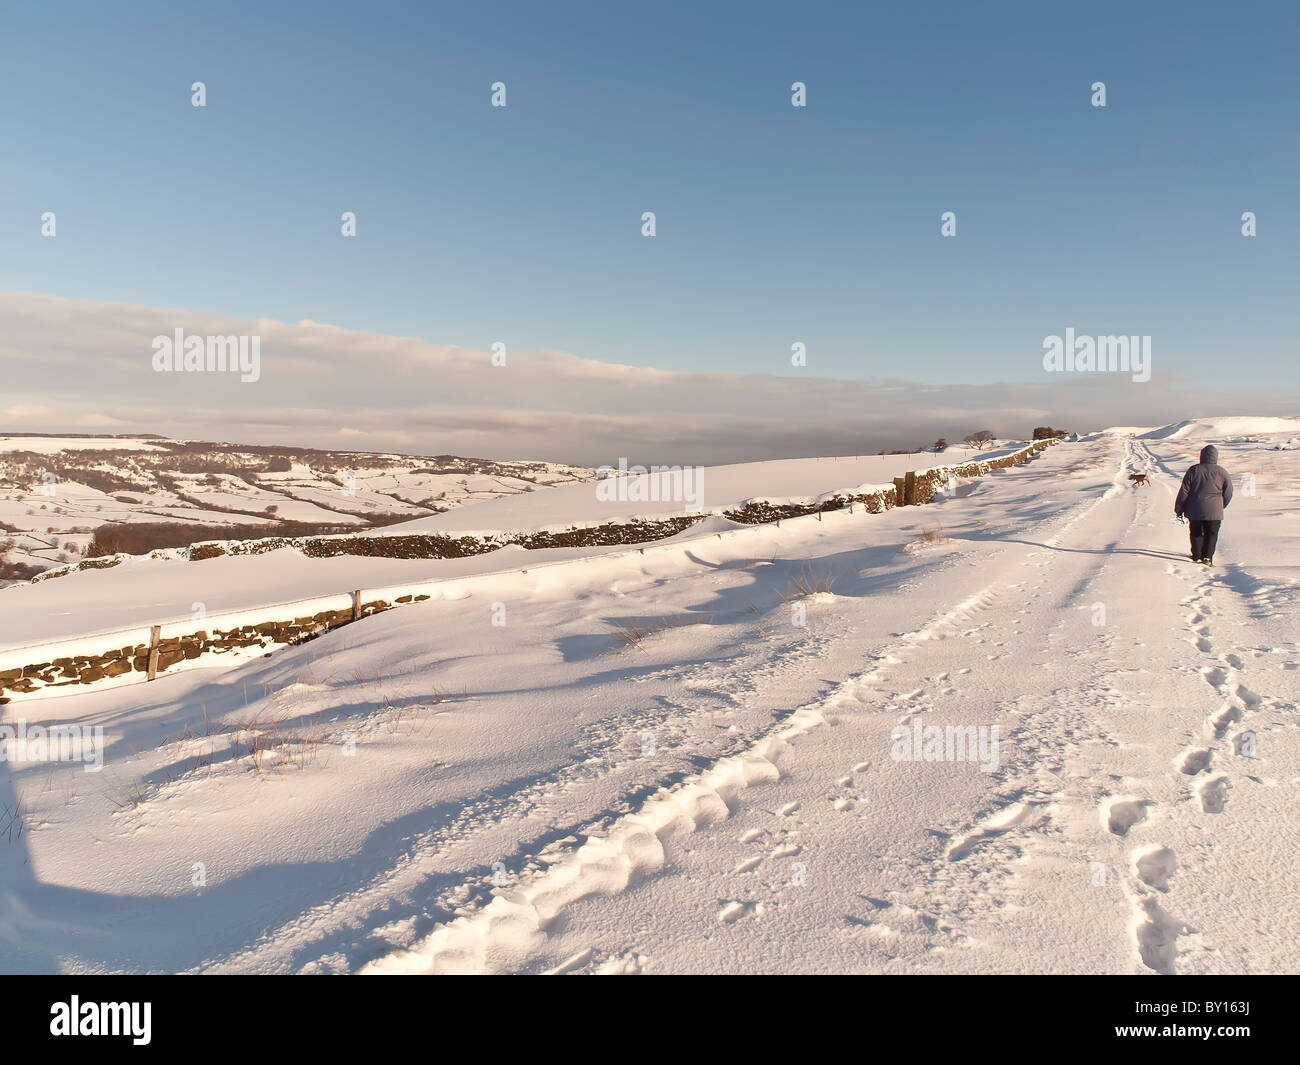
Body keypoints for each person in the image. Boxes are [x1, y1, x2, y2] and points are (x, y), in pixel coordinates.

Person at [1174, 445, 1233, 565]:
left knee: (1196, 533)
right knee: (1212, 534)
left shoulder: (1194, 470)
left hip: (1195, 509)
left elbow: (1184, 490)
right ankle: (1207, 557)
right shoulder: (1222, 472)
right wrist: (1221, 505)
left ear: (1202, 455)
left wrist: (1179, 508)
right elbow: (1229, 492)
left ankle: (1196, 555)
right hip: (1214, 511)